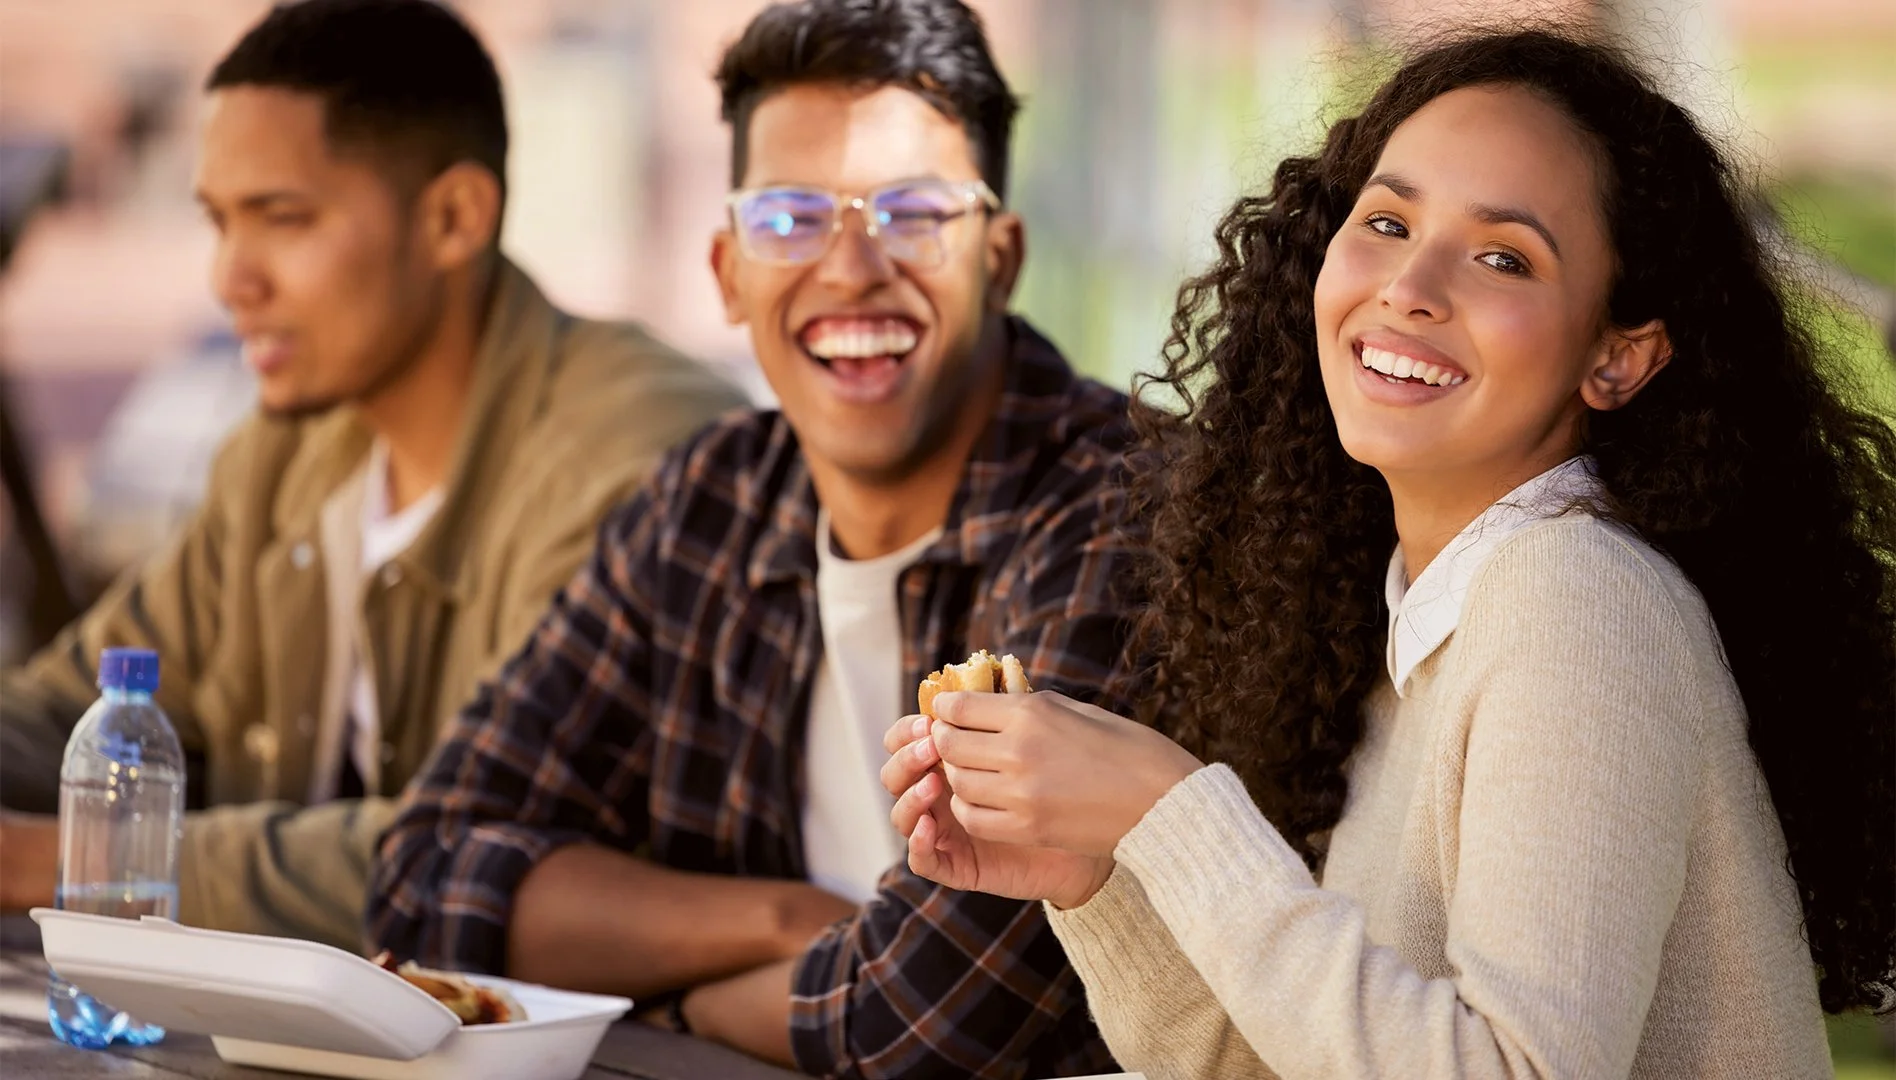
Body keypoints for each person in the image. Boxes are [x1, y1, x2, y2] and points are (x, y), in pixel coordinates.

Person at [884, 27, 1896, 1079]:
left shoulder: (1578, 605)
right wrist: (1092, 874)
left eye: (1504, 255)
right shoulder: (1416, 605)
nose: (1412, 285)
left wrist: (1167, 808)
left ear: (1618, 355)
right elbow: (1280, 1060)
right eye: (1387, 220)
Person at [367, 1, 1135, 1076]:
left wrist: (676, 1006)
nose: (852, 269)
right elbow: (424, 877)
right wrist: (786, 920)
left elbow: (925, 1026)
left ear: (1000, 258)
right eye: (790, 219)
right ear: (728, 271)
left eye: (913, 213)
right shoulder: (710, 505)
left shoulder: (1127, 513)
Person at [0, 0, 743, 950]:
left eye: (283, 218)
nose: (232, 278)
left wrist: (49, 859)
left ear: (451, 218)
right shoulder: (287, 455)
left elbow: (489, 851)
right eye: (220, 222)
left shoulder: (637, 460)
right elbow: (78, 709)